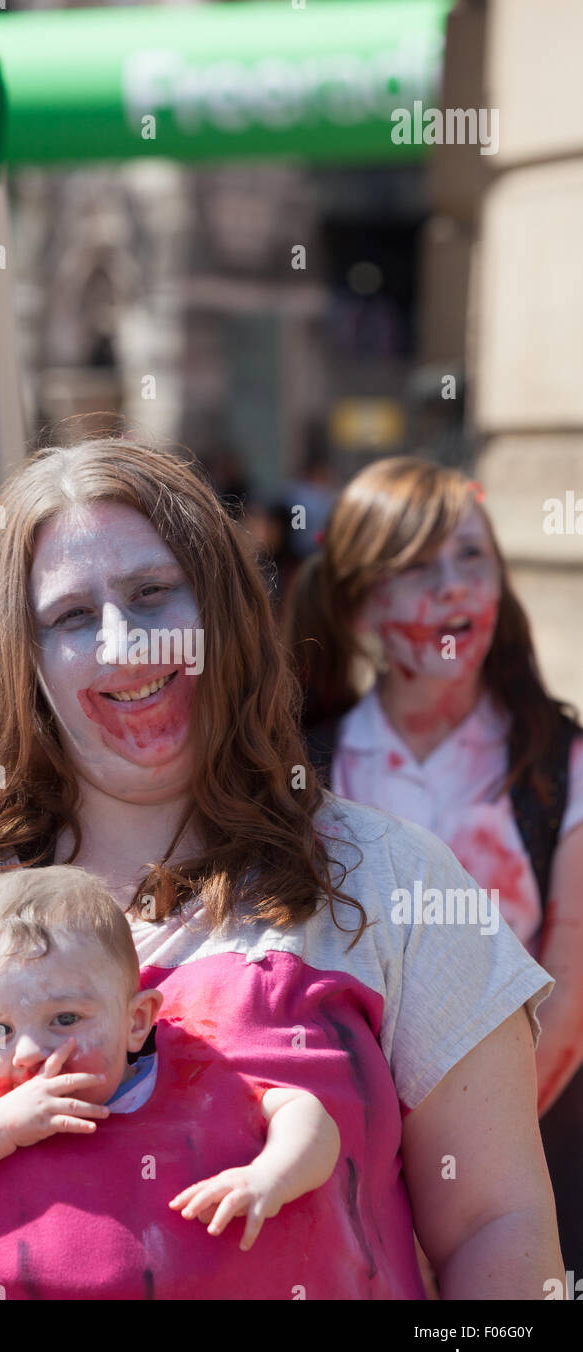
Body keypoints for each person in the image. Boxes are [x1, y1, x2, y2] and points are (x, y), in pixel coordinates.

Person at [0, 435, 561, 1300]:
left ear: (225, 613)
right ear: (21, 658)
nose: (124, 644)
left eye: (152, 595)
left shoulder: (390, 880)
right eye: (70, 617)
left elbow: (497, 1226)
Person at [286, 454, 583, 1270]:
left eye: (472, 558)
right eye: (417, 567)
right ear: (358, 607)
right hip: (346, 1186)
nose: (452, 587)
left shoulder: (561, 763)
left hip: (536, 1163)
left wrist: (469, 1163)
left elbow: (574, 989)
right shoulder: (308, 771)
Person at [0, 865, 340, 1274]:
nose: (27, 1051)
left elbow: (306, 1114)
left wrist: (271, 1175)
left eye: (65, 1019)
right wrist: (3, 1127)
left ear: (136, 1022)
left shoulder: (197, 1081)